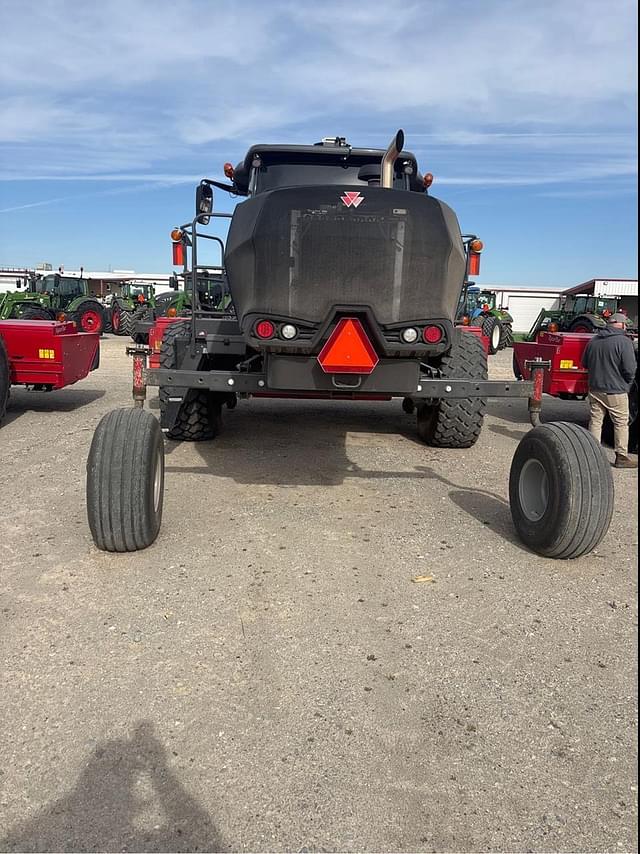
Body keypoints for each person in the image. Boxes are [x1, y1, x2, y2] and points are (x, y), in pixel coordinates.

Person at [582, 312, 637, 468]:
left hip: (595, 389)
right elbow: (630, 369)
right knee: (620, 423)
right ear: (621, 324)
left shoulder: (593, 341)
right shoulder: (624, 342)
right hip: (616, 391)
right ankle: (621, 457)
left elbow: (585, 363)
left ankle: (592, 455)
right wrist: (628, 384)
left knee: (596, 421)